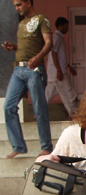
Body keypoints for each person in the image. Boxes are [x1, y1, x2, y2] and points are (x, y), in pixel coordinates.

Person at [2, 0, 53, 159]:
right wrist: (14, 48)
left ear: (28, 3)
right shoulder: (21, 23)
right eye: (15, 6)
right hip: (18, 69)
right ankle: (18, 146)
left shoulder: (41, 19)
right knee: (8, 106)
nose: (16, 8)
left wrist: (38, 58)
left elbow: (49, 43)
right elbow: (27, 46)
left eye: (19, 5)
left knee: (39, 108)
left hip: (34, 69)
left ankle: (46, 147)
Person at [45, 17, 77, 119]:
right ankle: (74, 113)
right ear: (60, 26)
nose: (67, 29)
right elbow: (54, 53)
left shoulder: (58, 38)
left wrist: (69, 67)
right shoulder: (57, 37)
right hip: (59, 72)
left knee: (48, 95)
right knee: (69, 93)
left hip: (56, 72)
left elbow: (60, 57)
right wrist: (59, 70)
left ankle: (38, 112)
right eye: (66, 26)